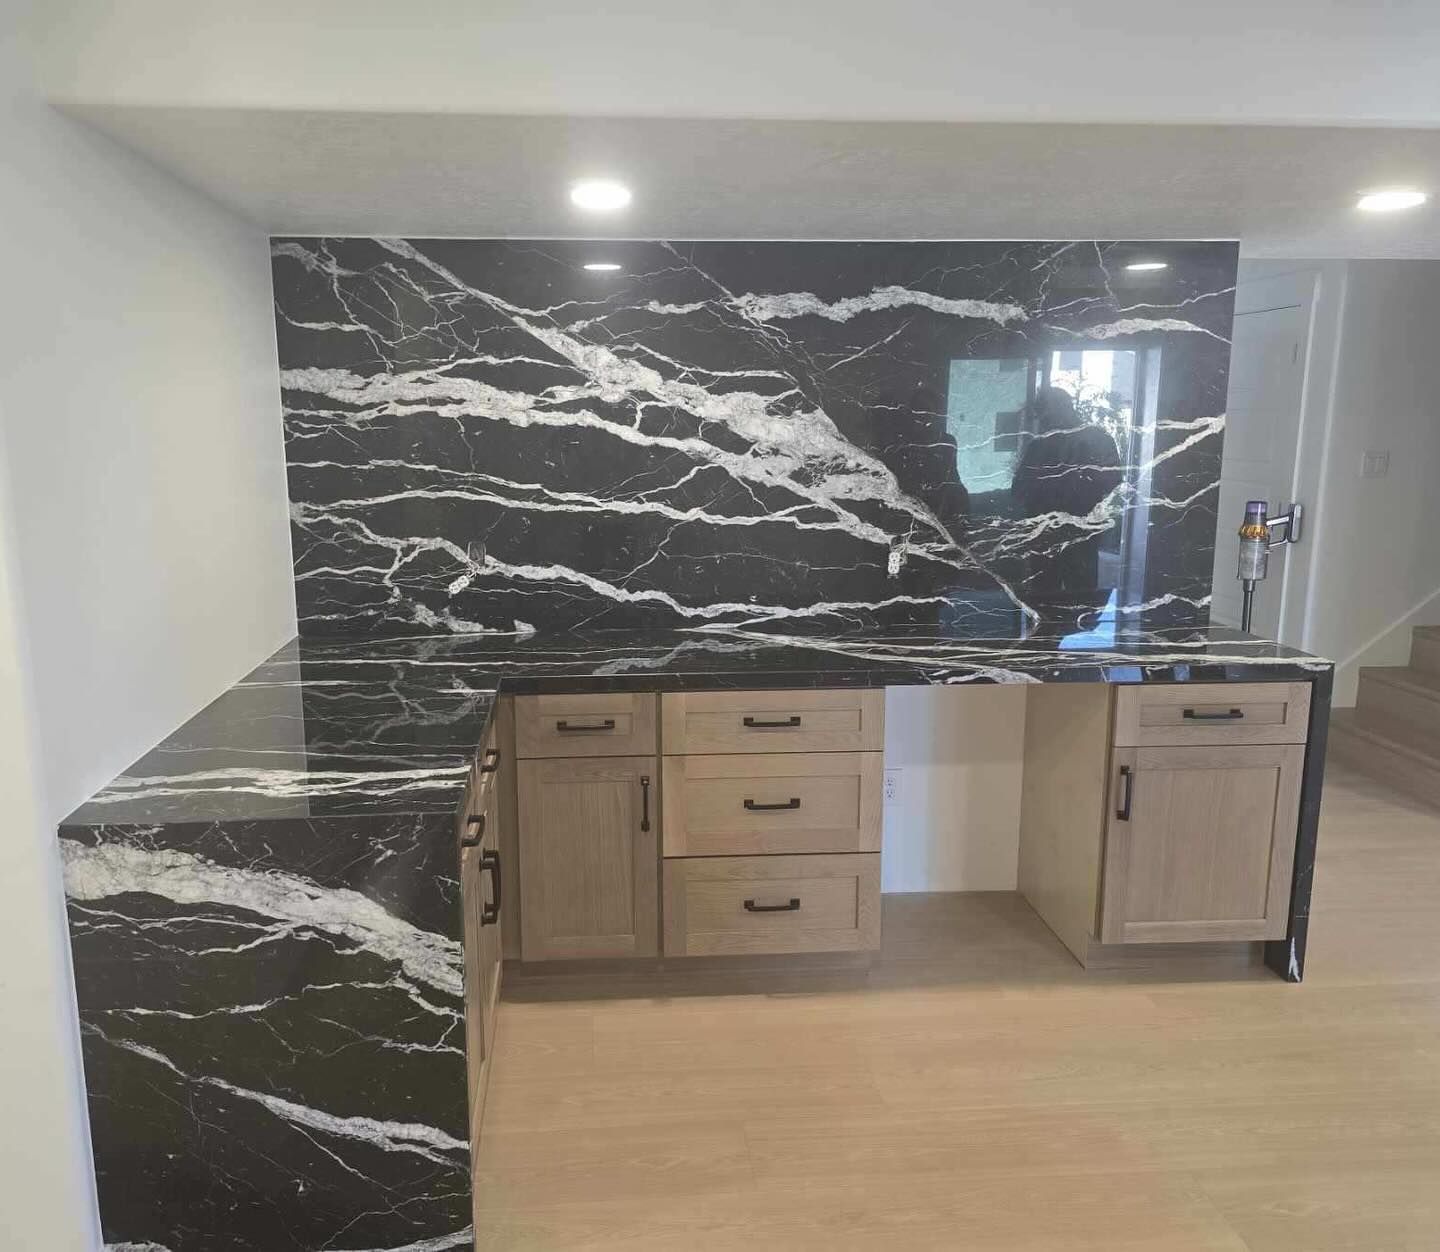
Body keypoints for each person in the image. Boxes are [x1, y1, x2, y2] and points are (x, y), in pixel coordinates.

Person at [1011, 385, 1123, 614]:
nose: (1044, 419)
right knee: (1049, 603)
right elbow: (1020, 490)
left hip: (1075, 533)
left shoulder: (1094, 440)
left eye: (1045, 412)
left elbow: (1112, 481)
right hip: (1050, 535)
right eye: (1041, 414)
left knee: (1077, 602)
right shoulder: (1041, 445)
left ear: (1063, 407)